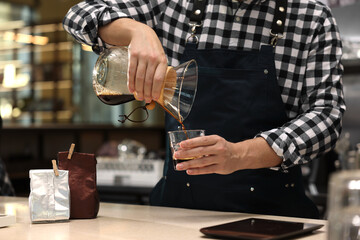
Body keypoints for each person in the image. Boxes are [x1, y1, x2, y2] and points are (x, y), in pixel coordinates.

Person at [63, 0, 346, 219]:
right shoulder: (174, 5)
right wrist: (138, 30)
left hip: (273, 215)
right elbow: (78, 16)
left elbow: (327, 116)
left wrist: (238, 154)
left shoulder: (312, 17)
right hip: (177, 214)